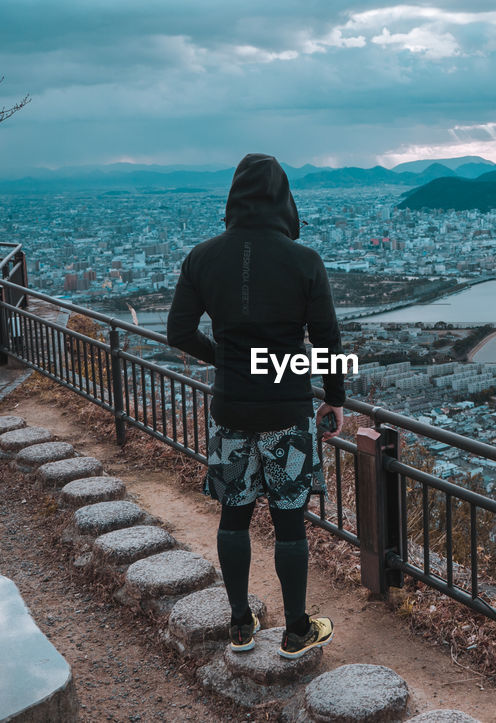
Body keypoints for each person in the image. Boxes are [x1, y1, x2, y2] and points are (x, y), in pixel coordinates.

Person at [166, 152, 345, 659]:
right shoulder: (303, 260)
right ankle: (295, 632)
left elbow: (178, 331)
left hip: (231, 409)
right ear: (284, 200)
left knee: (233, 516)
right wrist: (334, 398)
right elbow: (328, 340)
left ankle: (241, 627)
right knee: (290, 522)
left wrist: (226, 358)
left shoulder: (203, 257)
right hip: (287, 409)